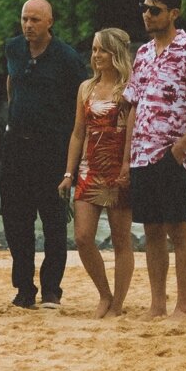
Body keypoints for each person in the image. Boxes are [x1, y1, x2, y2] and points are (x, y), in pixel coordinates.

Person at [121, 0, 186, 321]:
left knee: (178, 228)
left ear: (173, 13)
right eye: (145, 8)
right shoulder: (143, 54)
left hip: (172, 154)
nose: (147, 15)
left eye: (155, 10)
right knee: (150, 230)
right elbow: (133, 105)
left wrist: (180, 149)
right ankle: (157, 304)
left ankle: (184, 306)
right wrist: (128, 154)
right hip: (142, 153)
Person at [0, 0, 87, 309]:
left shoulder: (66, 57)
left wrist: (74, 155)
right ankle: (24, 288)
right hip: (15, 145)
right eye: (24, 19)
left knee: (52, 221)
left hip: (52, 147)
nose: (28, 25)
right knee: (15, 220)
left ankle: (52, 288)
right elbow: (12, 84)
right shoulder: (13, 48)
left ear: (49, 22)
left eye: (35, 20)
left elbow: (82, 98)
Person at [59, 27, 135, 317]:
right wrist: (69, 173)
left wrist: (128, 165)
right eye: (93, 50)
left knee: (120, 240)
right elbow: (78, 133)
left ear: (115, 53)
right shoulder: (86, 88)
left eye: (102, 49)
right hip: (89, 168)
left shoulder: (129, 88)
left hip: (119, 170)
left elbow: (132, 131)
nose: (96, 55)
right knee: (82, 237)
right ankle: (104, 294)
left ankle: (118, 304)